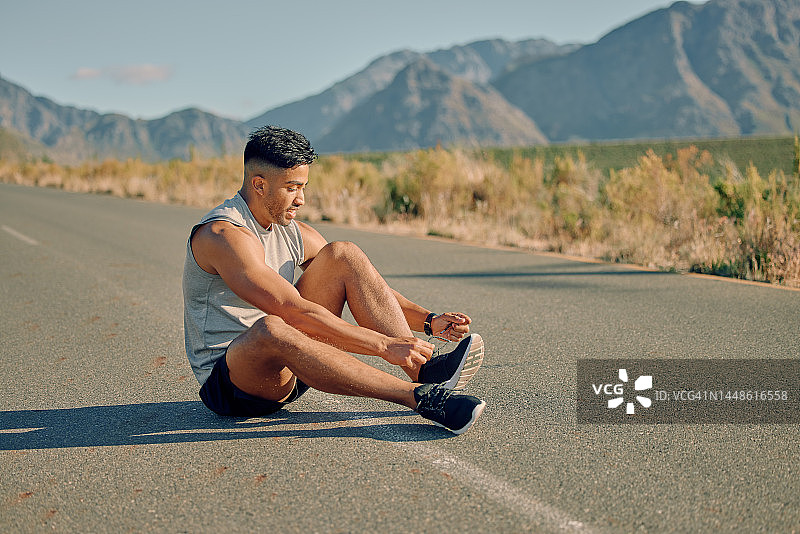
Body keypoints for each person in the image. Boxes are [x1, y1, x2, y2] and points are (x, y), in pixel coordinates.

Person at [182, 126, 485, 434]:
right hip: (235, 386)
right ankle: (421, 398)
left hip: (299, 363)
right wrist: (384, 345)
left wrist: (429, 321)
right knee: (270, 327)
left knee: (343, 254)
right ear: (259, 185)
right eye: (292, 188)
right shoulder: (223, 235)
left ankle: (423, 370)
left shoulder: (289, 229)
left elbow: (367, 286)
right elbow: (292, 311)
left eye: (303, 187)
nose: (301, 199)